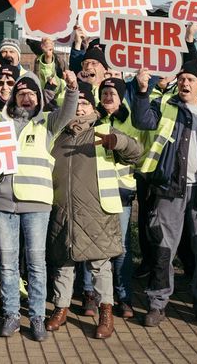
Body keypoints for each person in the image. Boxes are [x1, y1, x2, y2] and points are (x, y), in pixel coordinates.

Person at [131, 61, 197, 330]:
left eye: (191, 79)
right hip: (169, 190)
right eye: (182, 78)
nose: (185, 83)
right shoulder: (166, 105)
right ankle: (157, 303)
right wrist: (143, 91)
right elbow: (141, 120)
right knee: (163, 248)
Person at [45, 81, 143, 340]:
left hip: (97, 211)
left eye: (85, 103)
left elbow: (137, 153)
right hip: (63, 210)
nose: (79, 109)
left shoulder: (103, 130)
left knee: (100, 265)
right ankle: (61, 308)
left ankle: (106, 312)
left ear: (93, 106)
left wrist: (118, 141)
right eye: (75, 104)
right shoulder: (57, 134)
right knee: (63, 263)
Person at [0, 70, 77, 340]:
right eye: (21, 93)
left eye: (31, 94)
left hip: (37, 203)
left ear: (39, 98)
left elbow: (69, 111)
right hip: (3, 201)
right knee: (7, 262)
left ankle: (37, 316)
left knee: (37, 262)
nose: (26, 98)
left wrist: (72, 88)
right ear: (13, 98)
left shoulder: (48, 123)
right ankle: (12, 314)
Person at [94, 76, 152, 319]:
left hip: (122, 190)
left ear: (121, 97)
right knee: (95, 246)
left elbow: (138, 154)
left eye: (113, 94)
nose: (108, 98)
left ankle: (124, 296)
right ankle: (94, 295)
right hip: (94, 189)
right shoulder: (92, 118)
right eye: (104, 93)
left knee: (122, 248)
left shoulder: (132, 121)